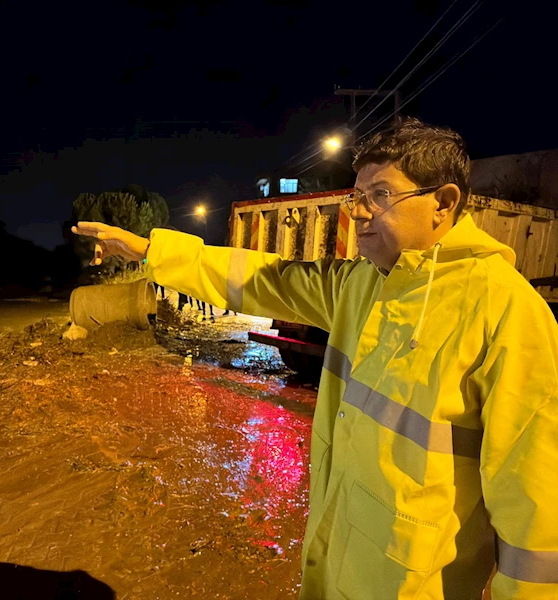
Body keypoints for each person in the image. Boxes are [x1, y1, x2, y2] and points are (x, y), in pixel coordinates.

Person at [72, 118, 558, 599]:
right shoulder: (360, 284)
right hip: (334, 560)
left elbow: (537, 511)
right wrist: (151, 249)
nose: (359, 213)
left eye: (381, 195)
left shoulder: (507, 314)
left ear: (443, 203)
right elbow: (264, 278)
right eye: (358, 196)